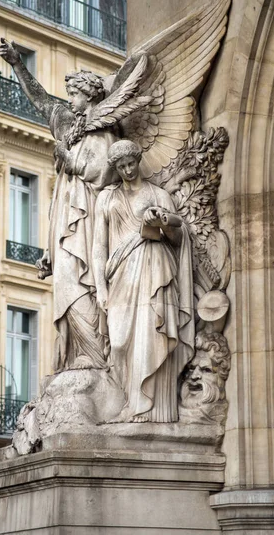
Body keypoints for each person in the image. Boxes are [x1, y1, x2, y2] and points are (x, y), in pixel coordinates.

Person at [0, 38, 119, 371]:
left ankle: (96, 359)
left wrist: (73, 161)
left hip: (89, 219)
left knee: (81, 283)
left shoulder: (105, 131)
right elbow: (40, 101)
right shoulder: (69, 126)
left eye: (74, 95)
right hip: (65, 218)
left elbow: (107, 172)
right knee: (65, 282)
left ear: (89, 95)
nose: (69, 100)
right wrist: (18, 65)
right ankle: (76, 359)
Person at [93, 140, 195, 422]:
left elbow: (177, 239)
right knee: (120, 341)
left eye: (131, 164)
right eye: (121, 166)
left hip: (155, 269)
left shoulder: (158, 194)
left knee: (153, 333)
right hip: (121, 274)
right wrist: (101, 288)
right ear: (115, 168)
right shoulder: (107, 198)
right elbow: (98, 248)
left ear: (138, 161)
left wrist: (162, 222)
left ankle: (153, 411)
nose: (127, 170)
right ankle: (130, 402)